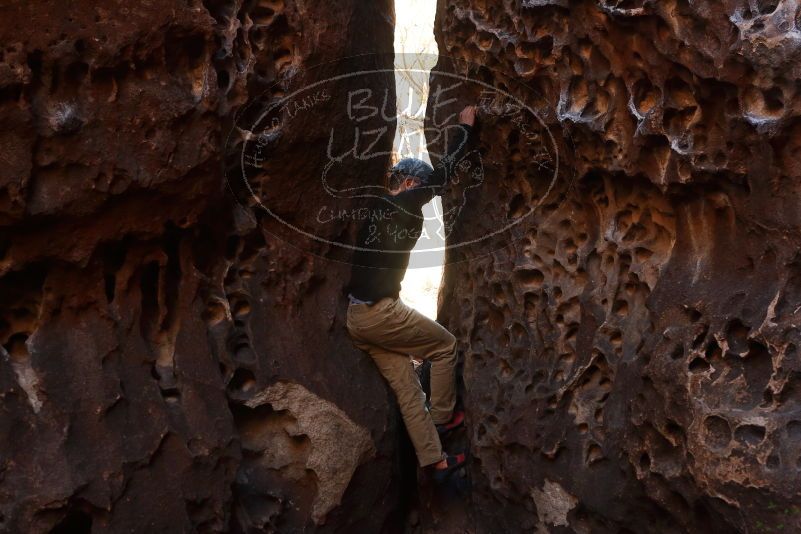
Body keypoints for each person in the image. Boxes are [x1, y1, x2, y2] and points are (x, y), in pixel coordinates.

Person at [345, 105, 477, 481]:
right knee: (445, 347)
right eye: (418, 186)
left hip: (358, 320)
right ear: (410, 184)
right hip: (382, 314)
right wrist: (464, 130)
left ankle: (434, 462)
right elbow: (441, 178)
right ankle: (443, 420)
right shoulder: (402, 205)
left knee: (407, 390)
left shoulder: (379, 208)